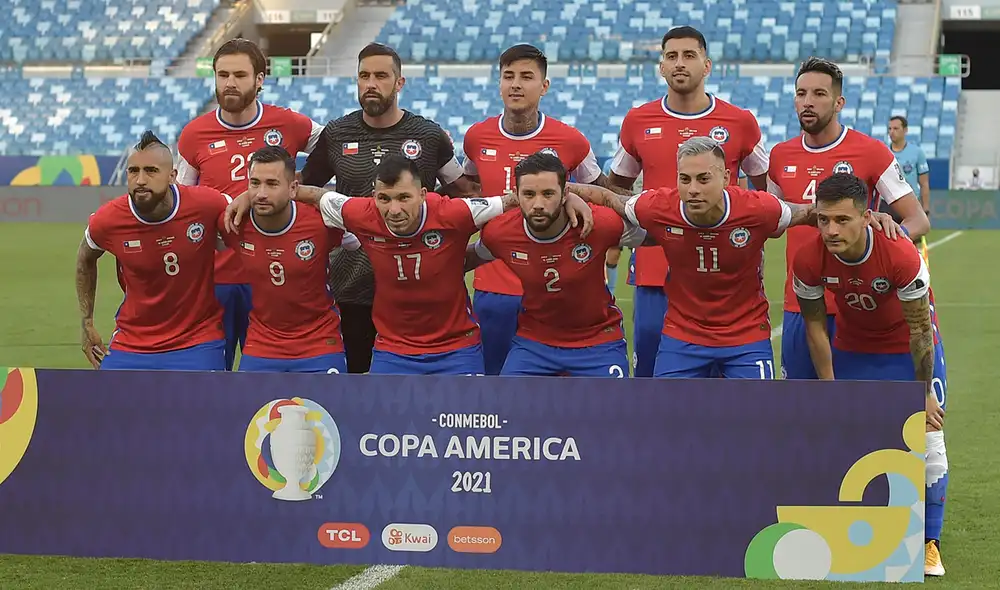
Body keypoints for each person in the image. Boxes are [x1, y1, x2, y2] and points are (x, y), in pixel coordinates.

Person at [226, 155, 593, 375]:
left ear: (423, 193)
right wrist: (252, 192)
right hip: (392, 350)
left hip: (457, 349)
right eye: (385, 199)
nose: (395, 209)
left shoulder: (455, 213)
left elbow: (517, 200)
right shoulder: (360, 213)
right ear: (373, 197)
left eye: (404, 197)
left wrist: (571, 197)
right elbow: (315, 194)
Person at [569, 137, 899, 378]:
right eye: (684, 179)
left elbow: (812, 213)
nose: (693, 189)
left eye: (703, 178)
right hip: (683, 334)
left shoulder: (758, 209)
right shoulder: (658, 206)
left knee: (752, 430)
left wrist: (872, 219)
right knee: (667, 425)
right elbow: (607, 197)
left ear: (726, 178)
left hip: (746, 336)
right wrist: (567, 194)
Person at [791, 173, 948, 577]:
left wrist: (923, 392)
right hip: (854, 347)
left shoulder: (899, 254)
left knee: (929, 446)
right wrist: (828, 385)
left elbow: (920, 330)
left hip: (907, 349)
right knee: (846, 440)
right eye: (824, 220)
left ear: (867, 217)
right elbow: (815, 327)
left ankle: (929, 543)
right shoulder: (808, 258)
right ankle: (856, 535)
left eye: (842, 220)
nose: (831, 230)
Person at [300, 42, 477, 375]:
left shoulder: (429, 135)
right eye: (364, 75)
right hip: (351, 284)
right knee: (359, 397)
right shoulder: (337, 134)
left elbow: (461, 194)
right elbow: (305, 193)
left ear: (399, 83)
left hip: (419, 292)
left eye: (381, 76)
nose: (371, 83)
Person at [607, 26, 770, 378]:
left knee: (725, 391)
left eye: (689, 55)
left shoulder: (739, 122)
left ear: (707, 65)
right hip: (655, 269)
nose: (680, 63)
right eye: (671, 56)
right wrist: (641, 228)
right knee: (655, 384)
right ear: (661, 66)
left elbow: (765, 188)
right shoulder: (638, 121)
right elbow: (616, 187)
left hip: (724, 277)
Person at [767, 57, 931, 380]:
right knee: (803, 412)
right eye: (801, 94)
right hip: (800, 302)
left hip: (858, 307)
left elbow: (918, 220)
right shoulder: (780, 156)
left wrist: (891, 231)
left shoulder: (871, 152)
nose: (807, 102)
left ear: (839, 102)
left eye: (819, 94)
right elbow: (772, 224)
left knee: (856, 415)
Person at [461, 43, 613, 375]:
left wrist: (570, 193)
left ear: (544, 86)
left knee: (560, 396)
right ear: (499, 83)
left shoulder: (572, 141)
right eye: (508, 76)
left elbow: (602, 194)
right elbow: (469, 193)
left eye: (527, 76)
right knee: (497, 394)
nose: (516, 84)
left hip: (556, 289)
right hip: (494, 286)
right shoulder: (476, 138)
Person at [176, 38, 325, 372]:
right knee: (217, 380)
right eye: (222, 74)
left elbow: (335, 147)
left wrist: (294, 185)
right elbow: (183, 202)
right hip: (218, 278)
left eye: (240, 75)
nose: (229, 83)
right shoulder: (193, 134)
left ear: (259, 79)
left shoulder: (289, 124)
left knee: (271, 380)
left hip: (277, 278)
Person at [467, 153, 646, 377]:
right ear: (515, 196)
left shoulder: (599, 223)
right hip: (535, 342)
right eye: (529, 194)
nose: (538, 204)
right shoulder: (499, 233)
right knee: (510, 408)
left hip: (599, 340)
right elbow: (466, 258)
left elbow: (660, 235)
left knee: (610, 410)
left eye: (548, 193)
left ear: (565, 194)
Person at [76, 131, 230, 371]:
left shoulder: (207, 204)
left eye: (151, 171)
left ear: (172, 176)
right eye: (133, 171)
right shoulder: (109, 219)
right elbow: (85, 257)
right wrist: (87, 323)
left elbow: (251, 224)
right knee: (110, 406)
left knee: (198, 408)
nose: (140, 180)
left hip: (197, 341)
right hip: (132, 342)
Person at [218, 146, 359, 373]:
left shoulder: (320, 222)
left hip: (319, 342)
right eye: (254, 183)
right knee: (254, 409)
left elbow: (355, 239)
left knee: (326, 409)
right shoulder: (235, 223)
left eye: (272, 184)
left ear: (293, 187)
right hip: (262, 343)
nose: (261, 193)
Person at [883, 115, 931, 227]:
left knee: (910, 241)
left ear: (905, 130)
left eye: (895, 129)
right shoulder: (883, 152)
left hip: (910, 203)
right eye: (889, 129)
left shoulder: (917, 152)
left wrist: (926, 209)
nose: (891, 132)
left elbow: (924, 183)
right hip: (887, 205)